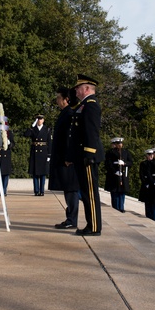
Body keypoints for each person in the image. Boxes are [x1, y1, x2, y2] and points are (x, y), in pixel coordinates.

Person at [67, 74, 103, 236]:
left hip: (88, 156)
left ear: (87, 88)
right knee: (86, 193)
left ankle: (94, 226)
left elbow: (91, 131)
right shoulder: (83, 105)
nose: (76, 90)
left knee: (90, 193)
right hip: (82, 155)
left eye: (78, 88)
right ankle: (91, 224)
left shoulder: (91, 105)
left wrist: (89, 153)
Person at [50, 87, 80, 229]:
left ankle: (72, 219)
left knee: (71, 189)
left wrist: (69, 157)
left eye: (59, 98)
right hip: (63, 157)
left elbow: (70, 137)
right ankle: (70, 217)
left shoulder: (69, 113)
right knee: (68, 189)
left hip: (68, 159)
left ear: (66, 99)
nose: (57, 100)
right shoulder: (65, 113)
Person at [22, 114, 51, 196]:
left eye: (41, 119)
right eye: (38, 119)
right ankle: (36, 190)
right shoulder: (33, 129)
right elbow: (26, 134)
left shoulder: (47, 129)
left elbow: (49, 142)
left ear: (43, 120)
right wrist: (32, 126)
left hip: (43, 153)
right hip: (35, 152)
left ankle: (42, 191)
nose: (39, 120)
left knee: (42, 173)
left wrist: (49, 155)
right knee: (35, 173)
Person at [103, 137, 133, 212]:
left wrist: (124, 163)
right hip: (114, 175)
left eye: (121, 143)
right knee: (115, 192)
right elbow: (108, 164)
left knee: (122, 192)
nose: (120, 145)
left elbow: (130, 162)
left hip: (123, 175)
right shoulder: (110, 152)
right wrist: (114, 171)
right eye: (118, 143)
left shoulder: (126, 152)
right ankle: (116, 207)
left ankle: (121, 207)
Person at [0, 121, 13, 196]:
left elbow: (13, 144)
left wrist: (9, 143)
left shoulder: (9, 133)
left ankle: (4, 190)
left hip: (6, 155)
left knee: (5, 175)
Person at [138, 148, 155, 220]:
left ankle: (153, 216)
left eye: (152, 154)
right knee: (147, 201)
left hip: (153, 184)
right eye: (149, 155)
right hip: (147, 184)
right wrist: (145, 183)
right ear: (147, 155)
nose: (151, 156)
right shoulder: (143, 163)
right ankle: (148, 215)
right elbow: (142, 174)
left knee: (153, 201)